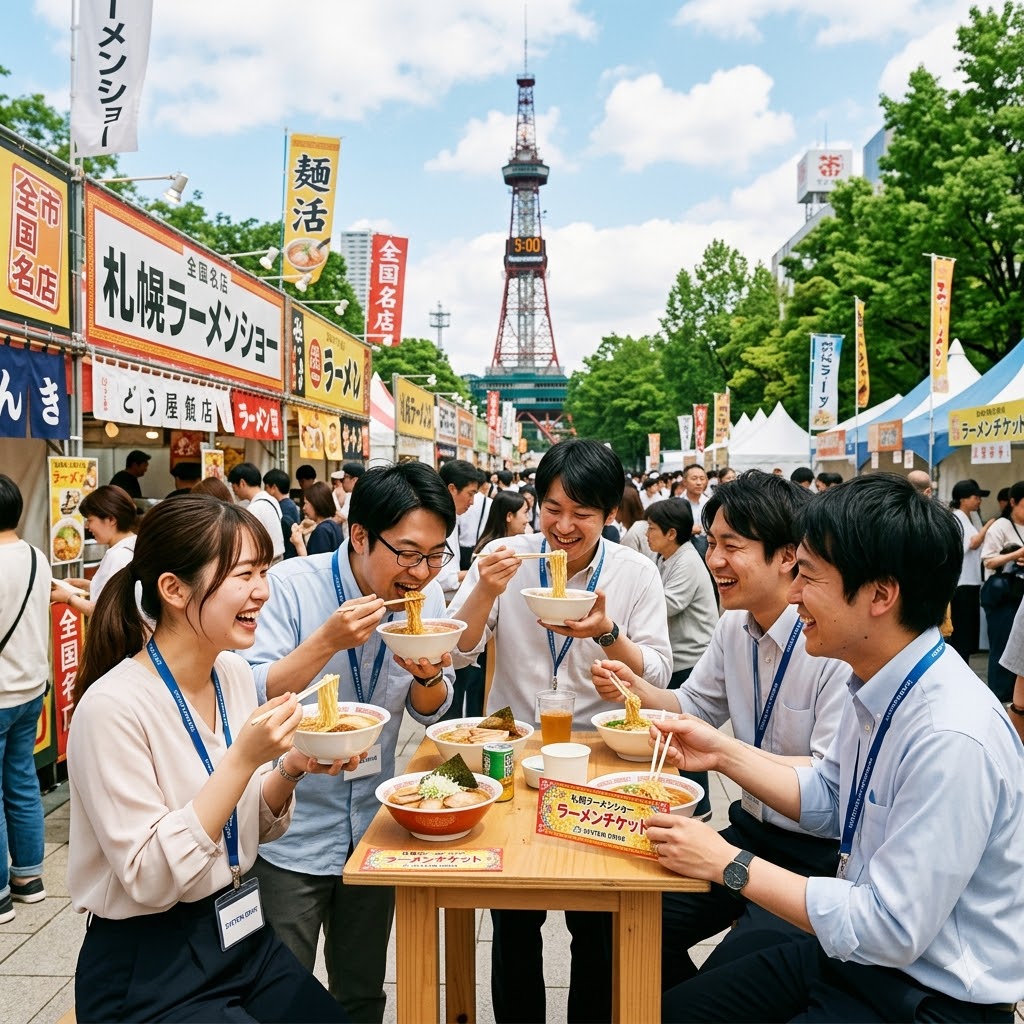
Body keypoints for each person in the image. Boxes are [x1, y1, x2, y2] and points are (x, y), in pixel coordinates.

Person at [655, 473, 1024, 1022]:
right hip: (856, 957)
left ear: (880, 594)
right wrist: (720, 750)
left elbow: (888, 929)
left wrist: (727, 863)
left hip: (927, 995)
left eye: (808, 577)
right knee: (675, 1010)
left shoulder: (950, 735)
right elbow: (830, 795)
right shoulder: (879, 679)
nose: (795, 594)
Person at [68, 495, 352, 1022]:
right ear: (173, 589)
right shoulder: (110, 708)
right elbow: (149, 878)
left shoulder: (233, 673)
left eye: (264, 571)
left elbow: (246, 828)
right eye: (243, 574)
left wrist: (292, 767)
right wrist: (244, 759)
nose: (262, 592)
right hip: (149, 964)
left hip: (242, 933)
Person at [594, 470, 847, 990]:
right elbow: (692, 706)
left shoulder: (830, 645)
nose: (714, 561)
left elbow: (831, 778)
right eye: (712, 544)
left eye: (732, 546)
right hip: (751, 833)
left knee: (718, 990)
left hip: (818, 860)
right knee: (617, 924)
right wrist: (633, 688)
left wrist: (724, 752)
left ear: (787, 557)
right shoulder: (735, 624)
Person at [449, 438, 671, 1024]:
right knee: (511, 919)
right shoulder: (504, 555)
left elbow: (658, 669)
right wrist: (483, 591)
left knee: (596, 922)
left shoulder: (634, 572)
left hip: (599, 757)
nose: (564, 527)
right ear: (536, 502)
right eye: (552, 508)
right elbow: (461, 654)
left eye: (583, 514)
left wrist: (607, 635)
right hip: (508, 748)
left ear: (611, 514)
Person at [245, 462, 456, 1023]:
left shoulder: (425, 598)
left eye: (437, 555)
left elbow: (431, 706)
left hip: (374, 828)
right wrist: (325, 642)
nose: (424, 572)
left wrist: (429, 676)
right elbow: (250, 693)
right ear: (359, 535)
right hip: (289, 832)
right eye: (409, 553)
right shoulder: (289, 588)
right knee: (278, 993)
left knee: (361, 992)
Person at [0, 475, 52, 924]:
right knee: (21, 781)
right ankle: (29, 878)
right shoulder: (36, 557)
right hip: (32, 688)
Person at [442, 491, 533, 723]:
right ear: (509, 516)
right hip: (479, 655)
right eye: (525, 513)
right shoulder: (491, 551)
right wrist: (485, 589)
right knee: (470, 689)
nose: (528, 520)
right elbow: (455, 652)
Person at [54, 485, 139, 617]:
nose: (87, 527)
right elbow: (117, 592)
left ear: (111, 519)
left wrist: (69, 598)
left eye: (90, 520)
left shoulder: (119, 556)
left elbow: (105, 614)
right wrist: (85, 585)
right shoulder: (135, 543)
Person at [980, 479, 1024, 702]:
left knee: (1019, 649)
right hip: (1002, 597)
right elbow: (988, 561)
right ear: (1013, 502)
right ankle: (999, 698)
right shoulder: (1000, 526)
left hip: (1020, 595)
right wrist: (1016, 555)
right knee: (1002, 647)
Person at [949, 478, 995, 662]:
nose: (978, 501)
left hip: (970, 581)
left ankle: (963, 662)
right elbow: (973, 543)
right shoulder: (958, 517)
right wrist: (988, 526)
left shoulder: (968, 518)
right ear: (963, 499)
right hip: (963, 583)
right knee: (962, 632)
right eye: (975, 497)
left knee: (967, 632)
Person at [435, 460, 481, 603]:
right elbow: (439, 579)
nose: (472, 501)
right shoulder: (435, 521)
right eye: (470, 494)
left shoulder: (452, 517)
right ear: (452, 489)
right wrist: (472, 572)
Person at [228, 463, 285, 565]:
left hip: (268, 563)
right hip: (279, 559)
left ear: (242, 483)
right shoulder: (272, 500)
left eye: (234, 488)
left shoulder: (254, 508)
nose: (234, 492)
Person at [291, 482, 344, 557]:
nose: (304, 508)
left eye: (306, 503)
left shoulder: (321, 531)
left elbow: (313, 565)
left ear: (316, 503)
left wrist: (298, 544)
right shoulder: (334, 525)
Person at [457, 473, 491, 570]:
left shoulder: (461, 500)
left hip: (461, 548)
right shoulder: (489, 502)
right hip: (480, 548)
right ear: (484, 484)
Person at [264, 469, 300, 559]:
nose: (265, 491)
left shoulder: (284, 507)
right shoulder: (289, 504)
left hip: (288, 556)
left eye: (266, 487)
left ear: (274, 488)